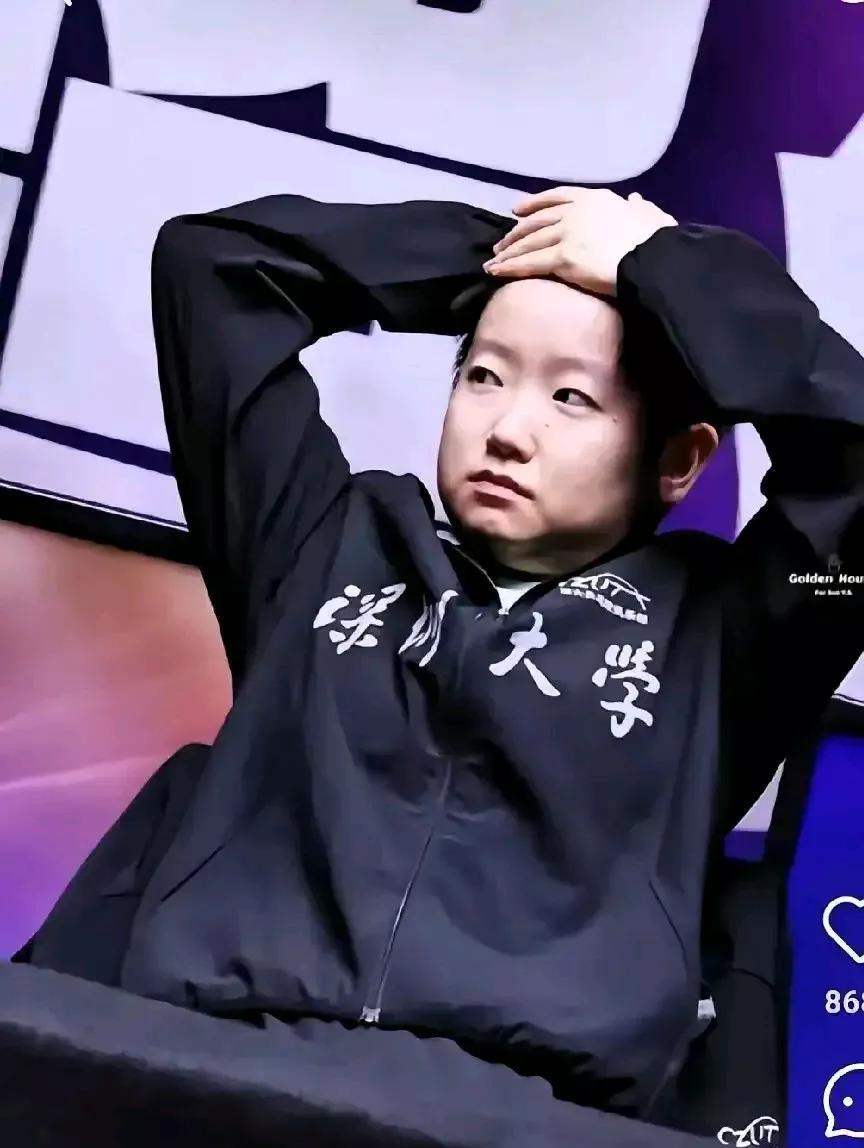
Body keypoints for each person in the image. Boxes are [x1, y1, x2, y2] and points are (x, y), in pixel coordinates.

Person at [9, 186, 864, 1143]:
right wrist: (529, 255)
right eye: (485, 376)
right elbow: (213, 269)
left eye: (571, 397)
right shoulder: (322, 544)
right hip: (209, 1071)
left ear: (680, 460)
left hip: (518, 1123)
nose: (508, 430)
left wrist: (663, 270)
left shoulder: (729, 640)